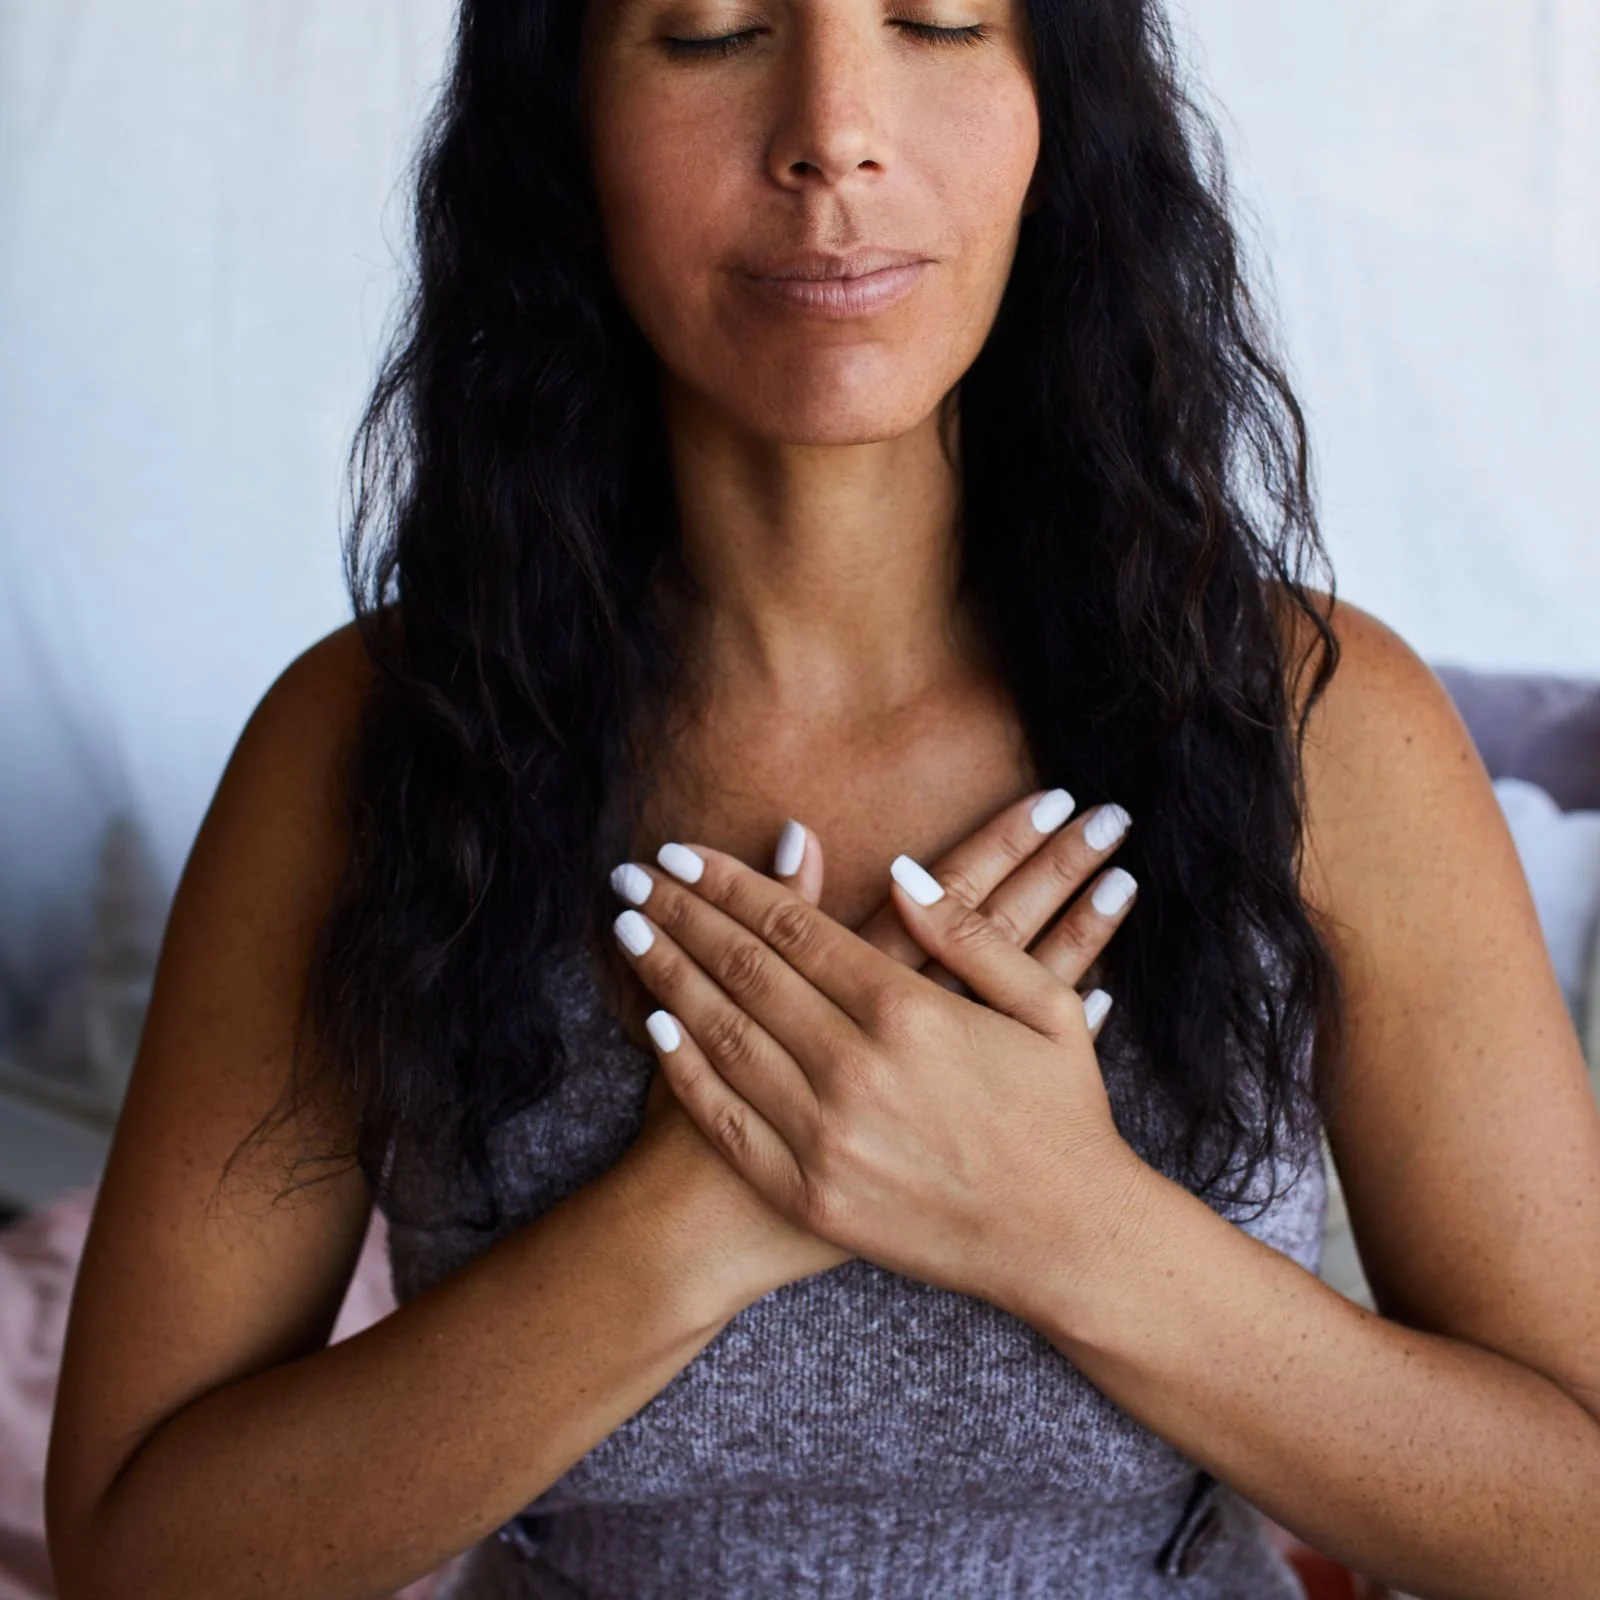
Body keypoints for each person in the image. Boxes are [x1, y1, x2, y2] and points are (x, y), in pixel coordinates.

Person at [45, 0, 1600, 1596]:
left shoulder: (1319, 727)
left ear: (1054, 110)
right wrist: (703, 1219)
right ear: (563, 116)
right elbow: (134, 1555)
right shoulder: (367, 744)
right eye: (710, 31)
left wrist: (1058, 1221)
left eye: (937, 21)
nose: (833, 134)